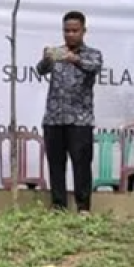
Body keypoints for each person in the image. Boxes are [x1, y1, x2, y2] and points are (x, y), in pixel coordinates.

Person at [37, 11, 102, 214]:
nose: (70, 34)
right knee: (56, 165)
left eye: (75, 30)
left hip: (80, 120)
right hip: (54, 118)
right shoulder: (58, 52)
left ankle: (83, 208)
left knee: (81, 165)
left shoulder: (92, 54)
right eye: (67, 30)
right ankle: (58, 205)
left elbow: (94, 67)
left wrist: (75, 60)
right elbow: (40, 70)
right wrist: (47, 58)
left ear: (84, 31)